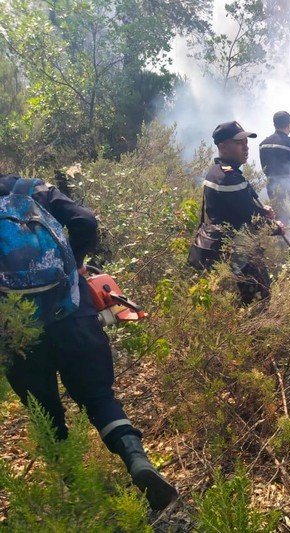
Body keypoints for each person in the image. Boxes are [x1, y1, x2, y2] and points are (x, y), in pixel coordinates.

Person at [0, 173, 178, 511]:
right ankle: (137, 460)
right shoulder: (31, 189)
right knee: (98, 398)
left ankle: (83, 499)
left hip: (17, 333)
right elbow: (85, 220)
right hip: (73, 314)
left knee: (46, 415)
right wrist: (74, 266)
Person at [189, 120, 284, 304]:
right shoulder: (228, 177)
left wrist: (261, 209)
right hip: (239, 253)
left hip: (230, 250)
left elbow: (238, 207)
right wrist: (275, 227)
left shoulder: (217, 171)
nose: (246, 147)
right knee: (258, 300)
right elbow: (252, 219)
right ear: (223, 146)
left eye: (246, 142)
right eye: (239, 143)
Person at [259, 111, 290, 240]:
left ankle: (283, 248)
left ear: (274, 124)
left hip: (273, 188)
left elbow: (265, 168)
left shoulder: (263, 144)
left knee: (280, 220)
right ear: (288, 125)